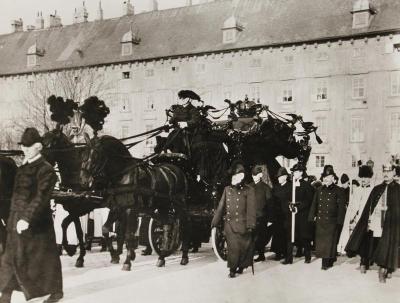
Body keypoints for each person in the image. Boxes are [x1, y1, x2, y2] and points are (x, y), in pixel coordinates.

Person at [0, 128, 63, 303]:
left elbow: (40, 197)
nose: (25, 149)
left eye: (29, 146)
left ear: (38, 147)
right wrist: (10, 218)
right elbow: (14, 196)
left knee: (44, 261)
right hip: (15, 222)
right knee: (9, 258)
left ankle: (56, 292)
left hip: (36, 225)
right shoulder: (22, 168)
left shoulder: (46, 170)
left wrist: (27, 218)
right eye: (23, 146)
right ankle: (5, 295)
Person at [345, 164, 400, 282]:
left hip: (391, 225)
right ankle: (365, 261)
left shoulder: (398, 189)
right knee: (369, 241)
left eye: (389, 171)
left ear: (394, 172)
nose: (386, 173)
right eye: (384, 171)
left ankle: (384, 269)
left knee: (388, 245)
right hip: (375, 222)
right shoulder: (377, 189)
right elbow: (368, 208)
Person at [211, 161, 256, 278]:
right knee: (233, 248)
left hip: (243, 224)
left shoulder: (249, 190)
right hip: (229, 224)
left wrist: (251, 225)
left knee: (243, 247)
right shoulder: (227, 189)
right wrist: (215, 222)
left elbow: (251, 209)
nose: (233, 178)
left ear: (242, 176)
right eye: (233, 176)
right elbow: (221, 206)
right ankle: (232, 269)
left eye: (236, 176)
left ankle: (241, 266)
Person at [308, 165, 346, 270]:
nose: (326, 179)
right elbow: (314, 204)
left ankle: (328, 260)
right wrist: (311, 217)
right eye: (325, 177)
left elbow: (341, 208)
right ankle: (326, 261)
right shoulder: (319, 190)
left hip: (332, 221)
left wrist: (340, 221)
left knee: (330, 243)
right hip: (320, 220)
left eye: (328, 176)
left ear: (333, 178)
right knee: (322, 243)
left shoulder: (339, 191)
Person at [338, 165, 373, 256]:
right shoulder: (357, 190)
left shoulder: (372, 190)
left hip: (368, 218)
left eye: (366, 177)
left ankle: (366, 258)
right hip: (358, 218)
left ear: (370, 178)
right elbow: (353, 205)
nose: (363, 180)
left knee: (367, 238)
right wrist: (351, 217)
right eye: (362, 177)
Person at [248, 165, 273, 262]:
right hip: (251, 217)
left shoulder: (266, 188)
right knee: (250, 237)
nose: (254, 177)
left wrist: (270, 219)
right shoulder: (249, 187)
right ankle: (249, 256)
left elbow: (270, 205)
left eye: (256, 175)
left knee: (260, 237)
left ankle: (261, 254)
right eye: (253, 175)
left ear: (261, 175)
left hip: (262, 217)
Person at [291, 164, 314, 263]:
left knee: (305, 234)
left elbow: (308, 200)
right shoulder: (292, 184)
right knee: (296, 233)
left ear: (301, 173)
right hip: (294, 213)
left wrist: (298, 207)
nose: (294, 174)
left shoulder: (306, 185)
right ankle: (299, 250)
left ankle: (307, 255)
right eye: (294, 172)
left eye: (296, 172)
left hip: (304, 213)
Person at [272, 167, 294, 264]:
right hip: (278, 215)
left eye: (280, 177)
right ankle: (278, 252)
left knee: (286, 235)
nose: (278, 178)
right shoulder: (276, 187)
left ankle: (287, 254)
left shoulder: (291, 187)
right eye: (278, 177)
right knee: (277, 234)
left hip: (287, 215)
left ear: (285, 177)